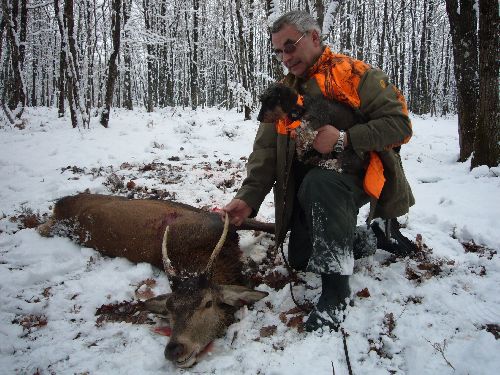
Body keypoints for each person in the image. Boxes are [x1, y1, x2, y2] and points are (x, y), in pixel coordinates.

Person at [221, 10, 414, 332]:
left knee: (320, 182)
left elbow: (400, 126)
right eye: (278, 51)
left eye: (290, 46)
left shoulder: (355, 75)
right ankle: (369, 238)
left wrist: (345, 138)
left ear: (313, 37)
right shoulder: (284, 90)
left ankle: (336, 292)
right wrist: (248, 199)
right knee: (299, 257)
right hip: (310, 183)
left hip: (360, 174)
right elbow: (266, 152)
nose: (284, 57)